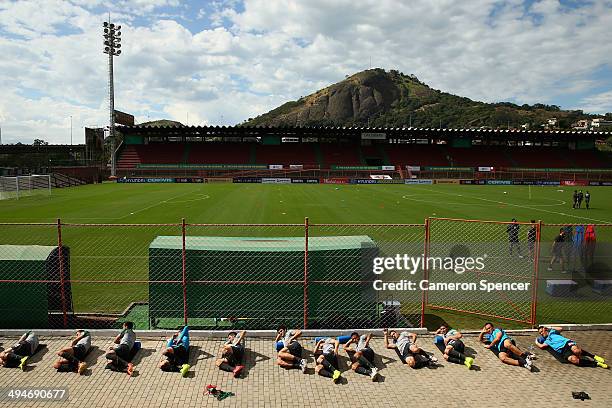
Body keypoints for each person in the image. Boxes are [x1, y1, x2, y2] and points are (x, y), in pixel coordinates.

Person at [535, 326, 607, 368]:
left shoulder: (552, 332)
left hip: (567, 343)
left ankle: (593, 356)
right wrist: (536, 342)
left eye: (542, 331)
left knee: (576, 351)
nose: (541, 333)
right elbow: (541, 346)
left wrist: (549, 328)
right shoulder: (546, 341)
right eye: (540, 333)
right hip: (562, 351)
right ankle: (596, 364)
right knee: (574, 360)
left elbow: (560, 328)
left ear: (545, 329)